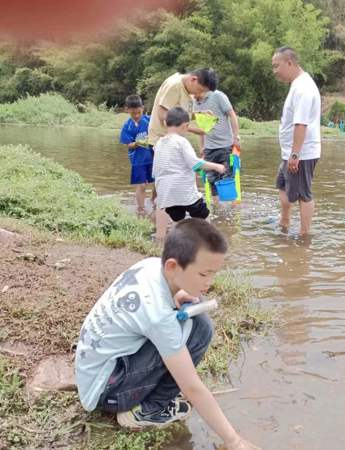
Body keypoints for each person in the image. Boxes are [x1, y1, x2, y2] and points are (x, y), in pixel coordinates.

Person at [75, 218, 260, 450]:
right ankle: (147, 410)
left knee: (197, 320)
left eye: (213, 274)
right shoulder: (157, 314)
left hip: (96, 371)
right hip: (107, 392)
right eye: (204, 274)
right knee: (199, 330)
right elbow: (191, 387)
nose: (210, 282)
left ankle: (146, 398)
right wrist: (234, 441)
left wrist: (177, 294)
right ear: (173, 266)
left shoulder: (151, 265)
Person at [148, 69, 215, 242]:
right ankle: (161, 230)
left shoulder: (187, 90)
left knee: (166, 183)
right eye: (199, 90)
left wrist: (198, 115)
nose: (199, 95)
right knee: (166, 184)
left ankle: (160, 222)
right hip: (162, 139)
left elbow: (179, 113)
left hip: (172, 139)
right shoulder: (175, 85)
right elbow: (163, 114)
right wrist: (190, 128)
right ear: (194, 79)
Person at [272, 46, 321, 236]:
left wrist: (295, 154)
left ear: (289, 63)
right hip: (290, 152)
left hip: (302, 153)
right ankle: (284, 222)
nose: (275, 71)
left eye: (277, 66)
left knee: (303, 195)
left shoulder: (303, 88)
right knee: (282, 185)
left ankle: (304, 235)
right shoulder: (297, 84)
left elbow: (301, 124)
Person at [153, 107, 225, 223]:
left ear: (166, 123)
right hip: (184, 191)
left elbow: (156, 171)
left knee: (178, 221)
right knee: (203, 216)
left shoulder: (159, 143)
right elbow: (195, 164)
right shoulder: (181, 141)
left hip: (166, 195)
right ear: (185, 126)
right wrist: (217, 166)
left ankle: (178, 234)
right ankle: (206, 234)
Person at [193, 69, 241, 203]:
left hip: (225, 145)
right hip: (209, 148)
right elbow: (201, 127)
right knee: (211, 180)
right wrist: (201, 147)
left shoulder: (218, 96)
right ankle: (218, 210)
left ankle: (230, 209)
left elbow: (232, 115)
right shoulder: (195, 103)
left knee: (227, 178)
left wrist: (236, 137)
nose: (192, 94)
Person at [119, 94, 154, 217]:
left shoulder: (150, 121)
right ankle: (140, 208)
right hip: (138, 160)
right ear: (127, 110)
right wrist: (137, 143)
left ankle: (153, 202)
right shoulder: (127, 126)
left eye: (139, 112)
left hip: (153, 158)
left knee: (158, 183)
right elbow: (129, 145)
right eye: (133, 113)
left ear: (143, 108)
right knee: (142, 185)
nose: (137, 115)